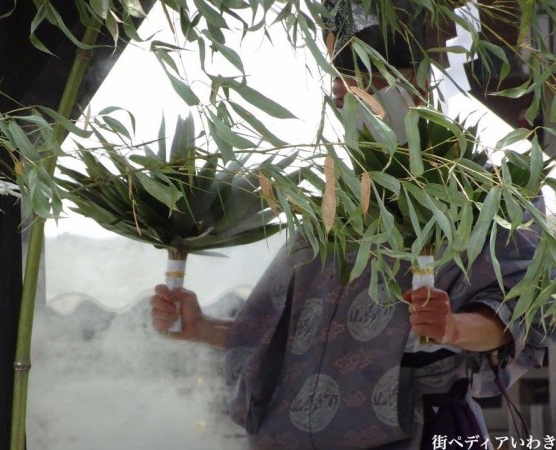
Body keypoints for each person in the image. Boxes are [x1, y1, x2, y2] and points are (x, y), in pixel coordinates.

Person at [150, 2, 550, 449]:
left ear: (418, 84)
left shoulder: (487, 190)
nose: (350, 96)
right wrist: (201, 326)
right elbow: (276, 333)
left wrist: (451, 326)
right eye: (339, 88)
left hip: (419, 426)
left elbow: (519, 313)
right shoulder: (335, 201)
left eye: (370, 82)